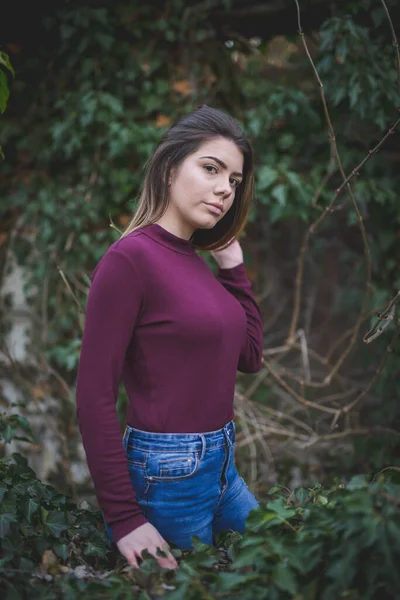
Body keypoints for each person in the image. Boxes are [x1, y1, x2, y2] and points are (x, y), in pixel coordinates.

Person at [75, 104, 264, 571]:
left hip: (223, 470)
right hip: (167, 477)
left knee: (281, 561)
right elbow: (93, 394)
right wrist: (123, 517)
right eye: (211, 168)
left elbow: (251, 355)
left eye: (234, 181)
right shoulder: (130, 260)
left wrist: (234, 267)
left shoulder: (195, 261)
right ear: (168, 167)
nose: (225, 188)